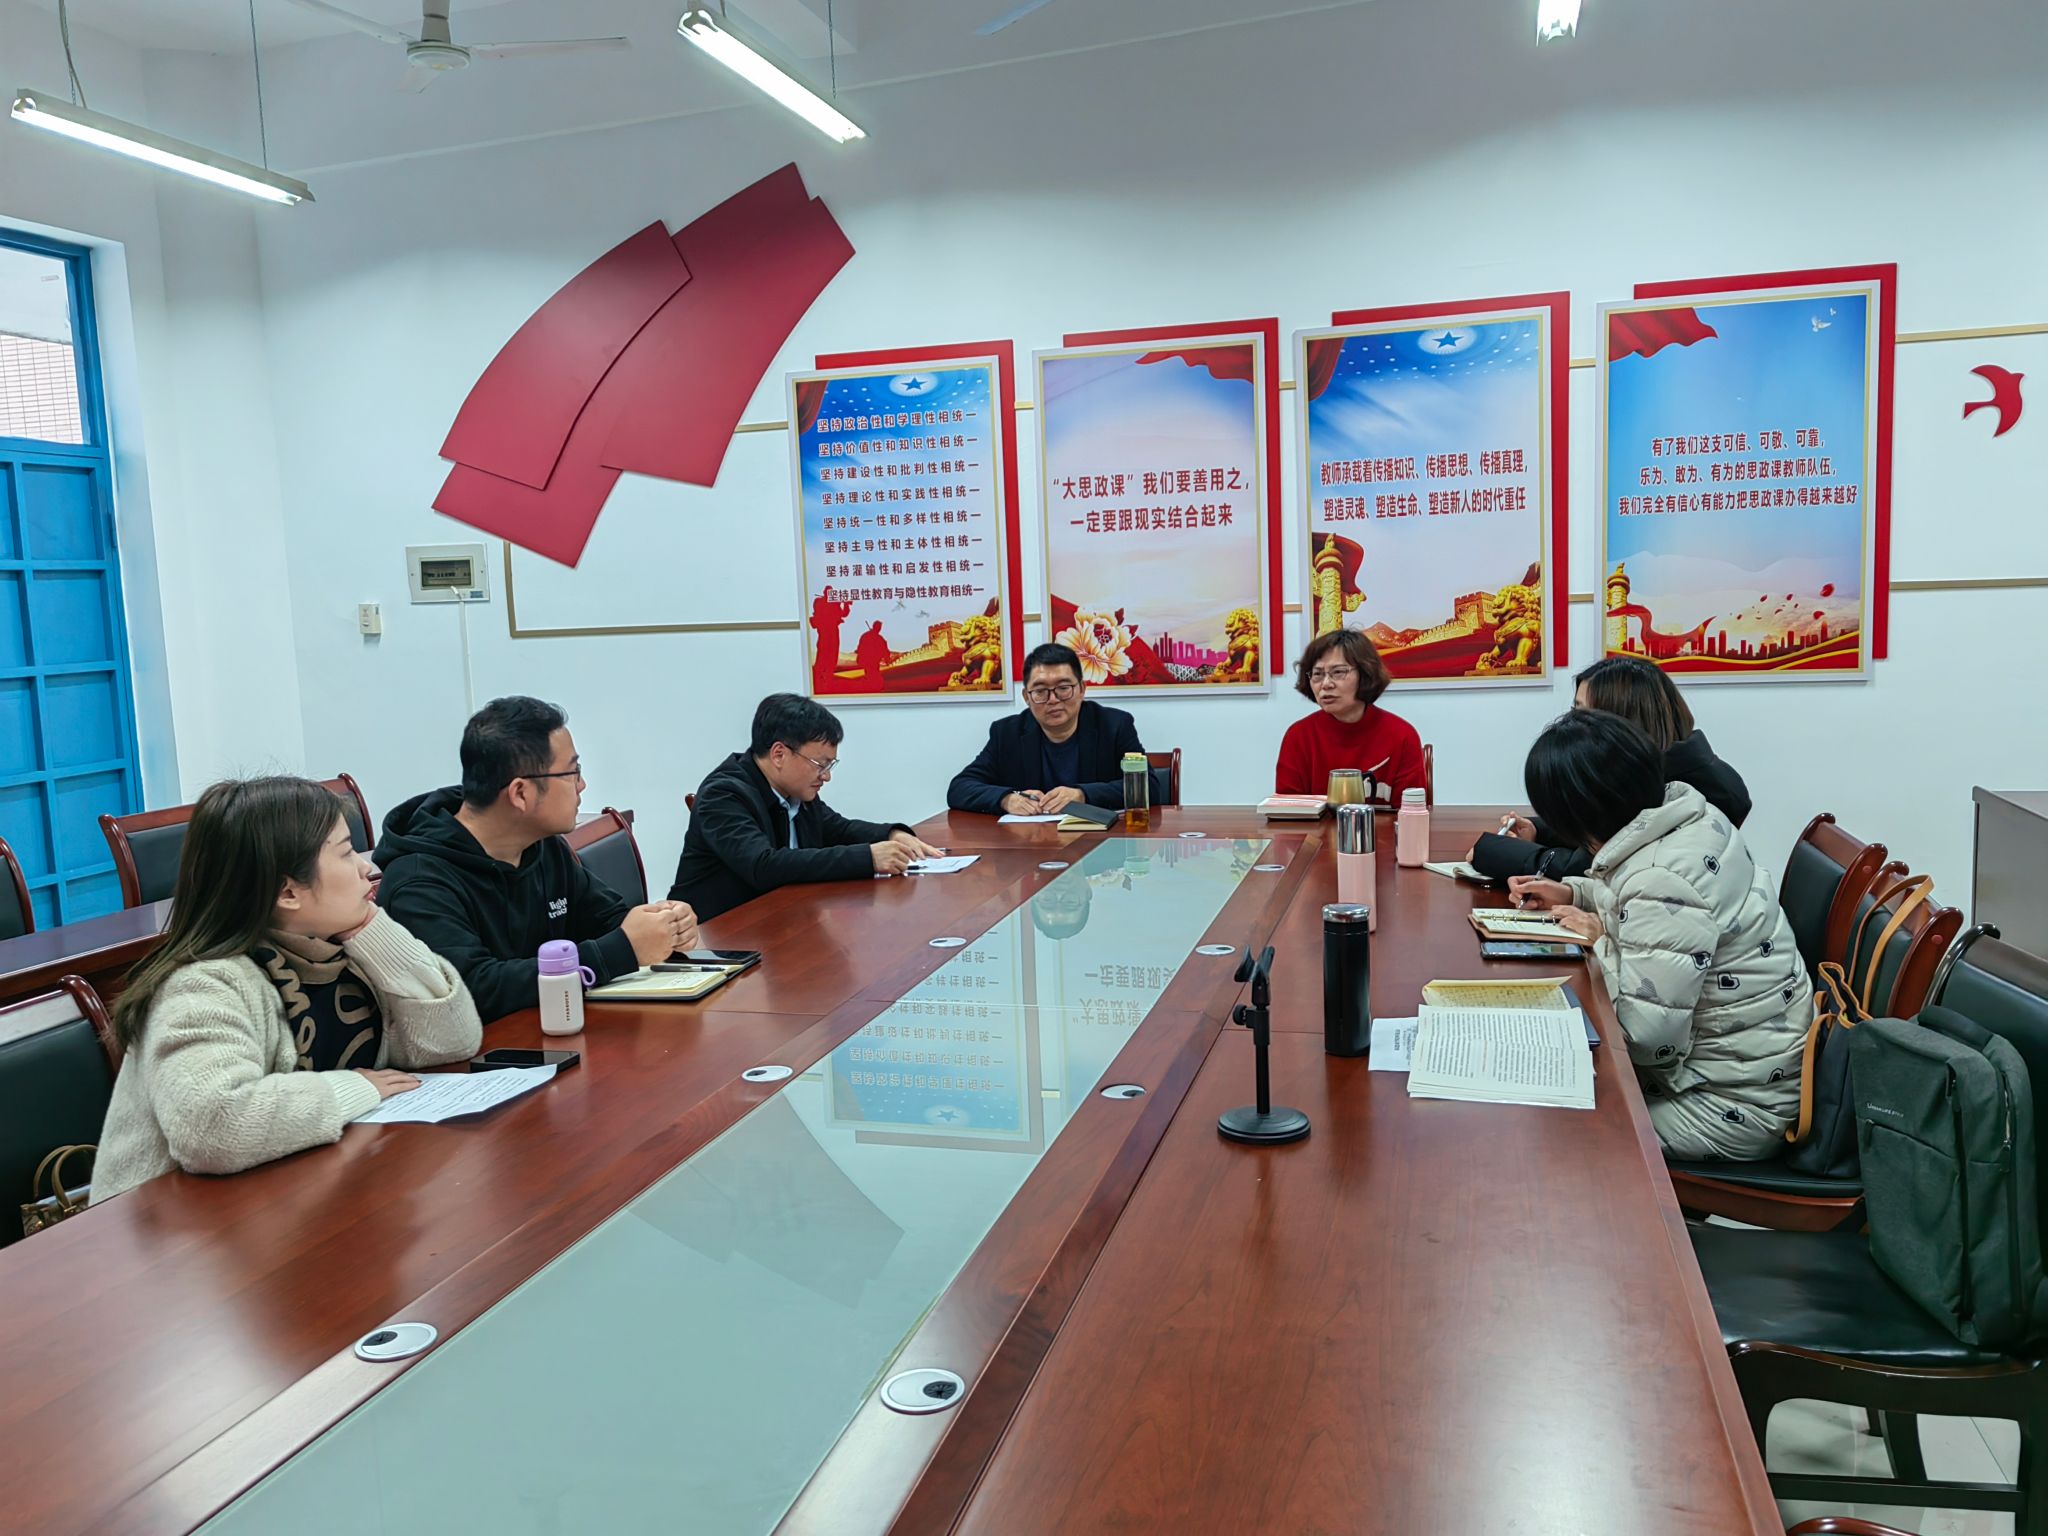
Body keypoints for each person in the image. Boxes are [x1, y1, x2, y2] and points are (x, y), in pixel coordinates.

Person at [91, 777, 483, 1202]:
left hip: (298, 1192)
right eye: (346, 852)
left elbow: (452, 1040)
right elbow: (213, 1125)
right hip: (178, 1228)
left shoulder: (338, 947)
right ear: (288, 891)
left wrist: (373, 930)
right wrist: (354, 1088)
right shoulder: (203, 986)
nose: (366, 868)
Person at [1505, 710, 1808, 1161]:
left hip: (1730, 1103)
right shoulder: (1688, 817)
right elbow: (1647, 908)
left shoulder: (1660, 877)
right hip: (1758, 1068)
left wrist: (1599, 942)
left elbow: (1647, 1040)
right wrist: (1574, 893)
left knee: (1550, 1131)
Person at [375, 696, 699, 1022]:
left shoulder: (543, 847)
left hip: (555, 1030)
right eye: (572, 772)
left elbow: (606, 919)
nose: (582, 785)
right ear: (520, 793)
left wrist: (663, 925)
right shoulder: (418, 881)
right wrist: (621, 950)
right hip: (492, 1050)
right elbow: (475, 990)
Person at [1470, 654, 1752, 881]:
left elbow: (1589, 867)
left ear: (1619, 721)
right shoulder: (1681, 764)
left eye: (1583, 714)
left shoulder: (1680, 792)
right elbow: (1603, 828)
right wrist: (1537, 829)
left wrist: (1493, 853)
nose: (1574, 725)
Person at [670, 693, 945, 923]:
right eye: (820, 764)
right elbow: (762, 865)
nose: (826, 776)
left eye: (830, 765)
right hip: (715, 939)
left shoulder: (796, 792)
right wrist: (868, 858)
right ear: (779, 754)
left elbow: (839, 829)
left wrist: (892, 834)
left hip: (780, 923)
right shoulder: (724, 794)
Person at [947, 642, 1146, 816]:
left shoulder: (1114, 725)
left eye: (1063, 688)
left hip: (1098, 840)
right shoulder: (1007, 733)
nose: (1053, 699)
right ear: (1027, 697)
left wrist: (1083, 794)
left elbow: (1148, 786)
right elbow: (959, 788)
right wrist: (1006, 799)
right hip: (1031, 841)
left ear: (1082, 689)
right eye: (1041, 691)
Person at [1273, 629, 1426, 801]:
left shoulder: (1402, 736)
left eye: (1338, 672)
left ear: (1365, 673)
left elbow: (1412, 811)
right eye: (1317, 674)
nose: (1326, 684)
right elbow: (1288, 811)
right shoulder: (1298, 736)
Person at [809, 587, 851, 694]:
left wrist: (845, 604)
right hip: (826, 631)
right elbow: (838, 614)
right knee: (824, 655)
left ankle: (827, 679)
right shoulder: (819, 602)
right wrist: (840, 603)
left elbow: (843, 614)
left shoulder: (832, 603)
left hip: (832, 631)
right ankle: (819, 679)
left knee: (832, 656)